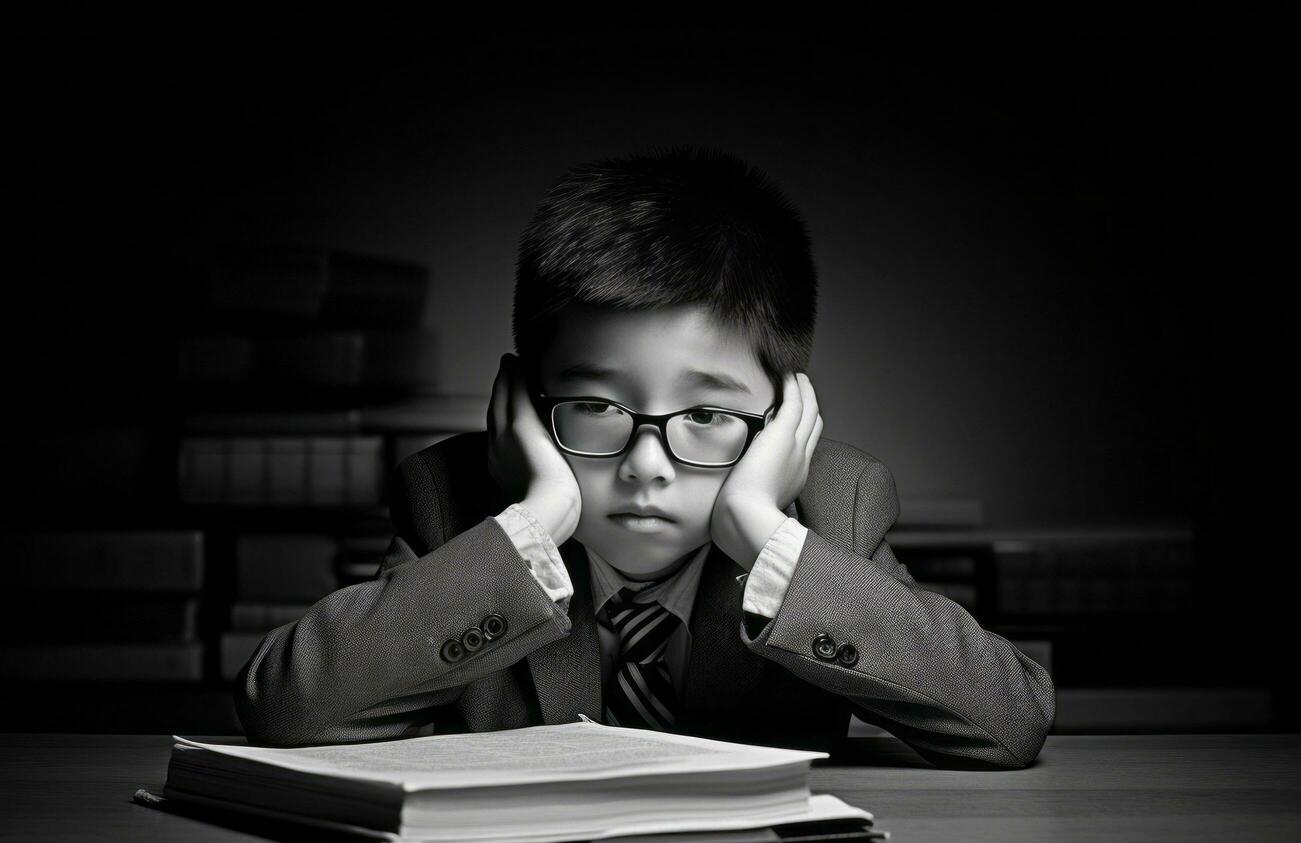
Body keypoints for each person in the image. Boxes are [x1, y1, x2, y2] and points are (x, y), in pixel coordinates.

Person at [235, 146, 1054, 769]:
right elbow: (287, 712)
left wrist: (767, 538)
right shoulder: (455, 502)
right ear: (520, 403)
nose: (646, 465)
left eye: (705, 413)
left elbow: (1009, 720)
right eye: (594, 406)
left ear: (781, 419)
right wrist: (533, 522)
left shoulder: (832, 508)